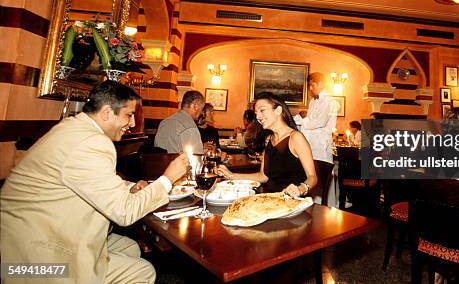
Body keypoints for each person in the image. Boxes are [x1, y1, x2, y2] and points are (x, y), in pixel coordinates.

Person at [0, 81, 189, 284]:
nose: (132, 123)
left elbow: (87, 178)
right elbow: (125, 212)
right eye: (128, 115)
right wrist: (168, 179)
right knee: (143, 271)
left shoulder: (74, 128)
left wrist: (128, 187)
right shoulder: (91, 142)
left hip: (31, 232)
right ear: (107, 112)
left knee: (130, 247)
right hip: (34, 258)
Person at [217, 92, 317, 197]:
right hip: (271, 200)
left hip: (293, 202)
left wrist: (301, 189)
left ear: (278, 110)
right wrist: (232, 175)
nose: (258, 116)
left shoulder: (295, 137)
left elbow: (312, 177)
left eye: (262, 110)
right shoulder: (269, 139)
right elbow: (263, 176)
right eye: (256, 113)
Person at [294, 72, 338, 205]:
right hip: (310, 146)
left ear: (321, 84)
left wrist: (300, 120)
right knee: (311, 179)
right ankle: (313, 208)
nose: (310, 88)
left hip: (321, 148)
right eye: (309, 85)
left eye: (312, 85)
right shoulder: (313, 101)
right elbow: (308, 122)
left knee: (323, 181)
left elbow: (319, 122)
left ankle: (327, 208)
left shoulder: (330, 102)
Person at [154, 90, 205, 154]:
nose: (201, 112)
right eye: (201, 108)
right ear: (195, 106)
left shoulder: (164, 122)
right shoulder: (189, 127)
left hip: (158, 163)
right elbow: (196, 159)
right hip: (178, 163)